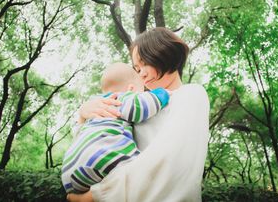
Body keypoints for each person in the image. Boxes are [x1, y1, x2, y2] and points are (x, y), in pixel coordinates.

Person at [68, 27, 210, 202]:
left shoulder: (191, 94)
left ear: (164, 53)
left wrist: (93, 196)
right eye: (136, 68)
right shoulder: (136, 106)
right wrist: (84, 115)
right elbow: (93, 145)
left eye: (144, 63)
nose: (141, 74)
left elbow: (163, 162)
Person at [62, 62, 170, 194]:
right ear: (131, 88)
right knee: (142, 171)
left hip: (69, 171)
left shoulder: (96, 104)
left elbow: (79, 130)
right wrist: (161, 93)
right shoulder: (120, 98)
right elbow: (142, 107)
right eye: (141, 90)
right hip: (102, 155)